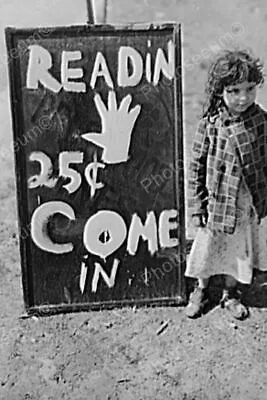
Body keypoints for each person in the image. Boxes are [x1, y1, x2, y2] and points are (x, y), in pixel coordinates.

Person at [185, 49, 267, 320]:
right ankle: (201, 289)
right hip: (217, 201)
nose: (243, 98)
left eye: (249, 89)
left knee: (238, 250)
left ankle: (230, 294)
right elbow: (196, 166)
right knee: (209, 247)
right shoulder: (211, 124)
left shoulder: (260, 120)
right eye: (234, 91)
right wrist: (197, 206)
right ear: (220, 90)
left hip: (246, 201)